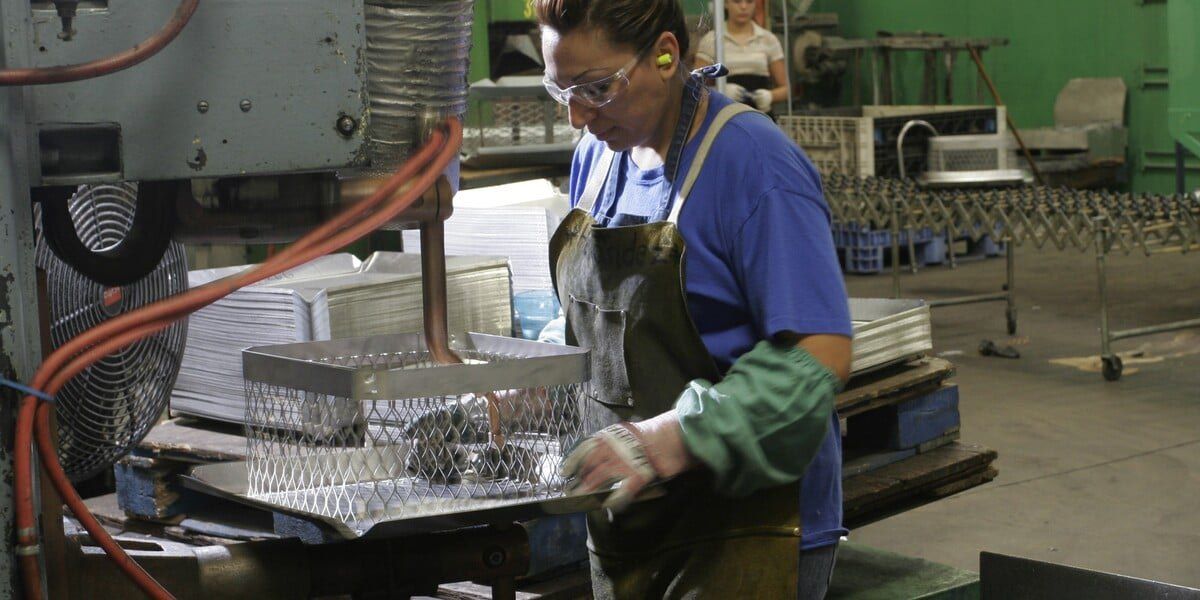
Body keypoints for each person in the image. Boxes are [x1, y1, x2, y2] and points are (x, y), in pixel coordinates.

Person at [535, 0, 852, 597]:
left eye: (598, 87)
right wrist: (532, 383)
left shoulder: (754, 164)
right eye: (560, 89)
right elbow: (599, 319)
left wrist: (666, 440)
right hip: (629, 528)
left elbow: (823, 353)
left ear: (665, 54)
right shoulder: (598, 159)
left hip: (747, 532)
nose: (578, 115)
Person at [693, 0, 790, 114]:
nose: (743, 7)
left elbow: (786, 89)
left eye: (749, 2)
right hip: (724, 118)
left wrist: (770, 96)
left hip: (760, 117)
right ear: (726, 3)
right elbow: (695, 86)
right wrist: (718, 92)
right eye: (737, 1)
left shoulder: (768, 39)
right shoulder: (711, 40)